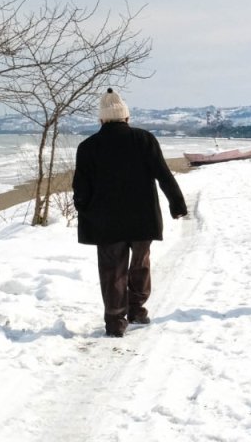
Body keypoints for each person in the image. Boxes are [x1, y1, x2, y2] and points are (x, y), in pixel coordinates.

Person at [73, 88, 188, 337]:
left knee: (112, 270)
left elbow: (81, 188)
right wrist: (177, 204)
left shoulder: (88, 147)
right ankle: (137, 310)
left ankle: (115, 321)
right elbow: (163, 174)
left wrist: (82, 207)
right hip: (142, 218)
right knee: (140, 264)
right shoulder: (144, 139)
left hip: (106, 223)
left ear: (101, 119)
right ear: (127, 117)